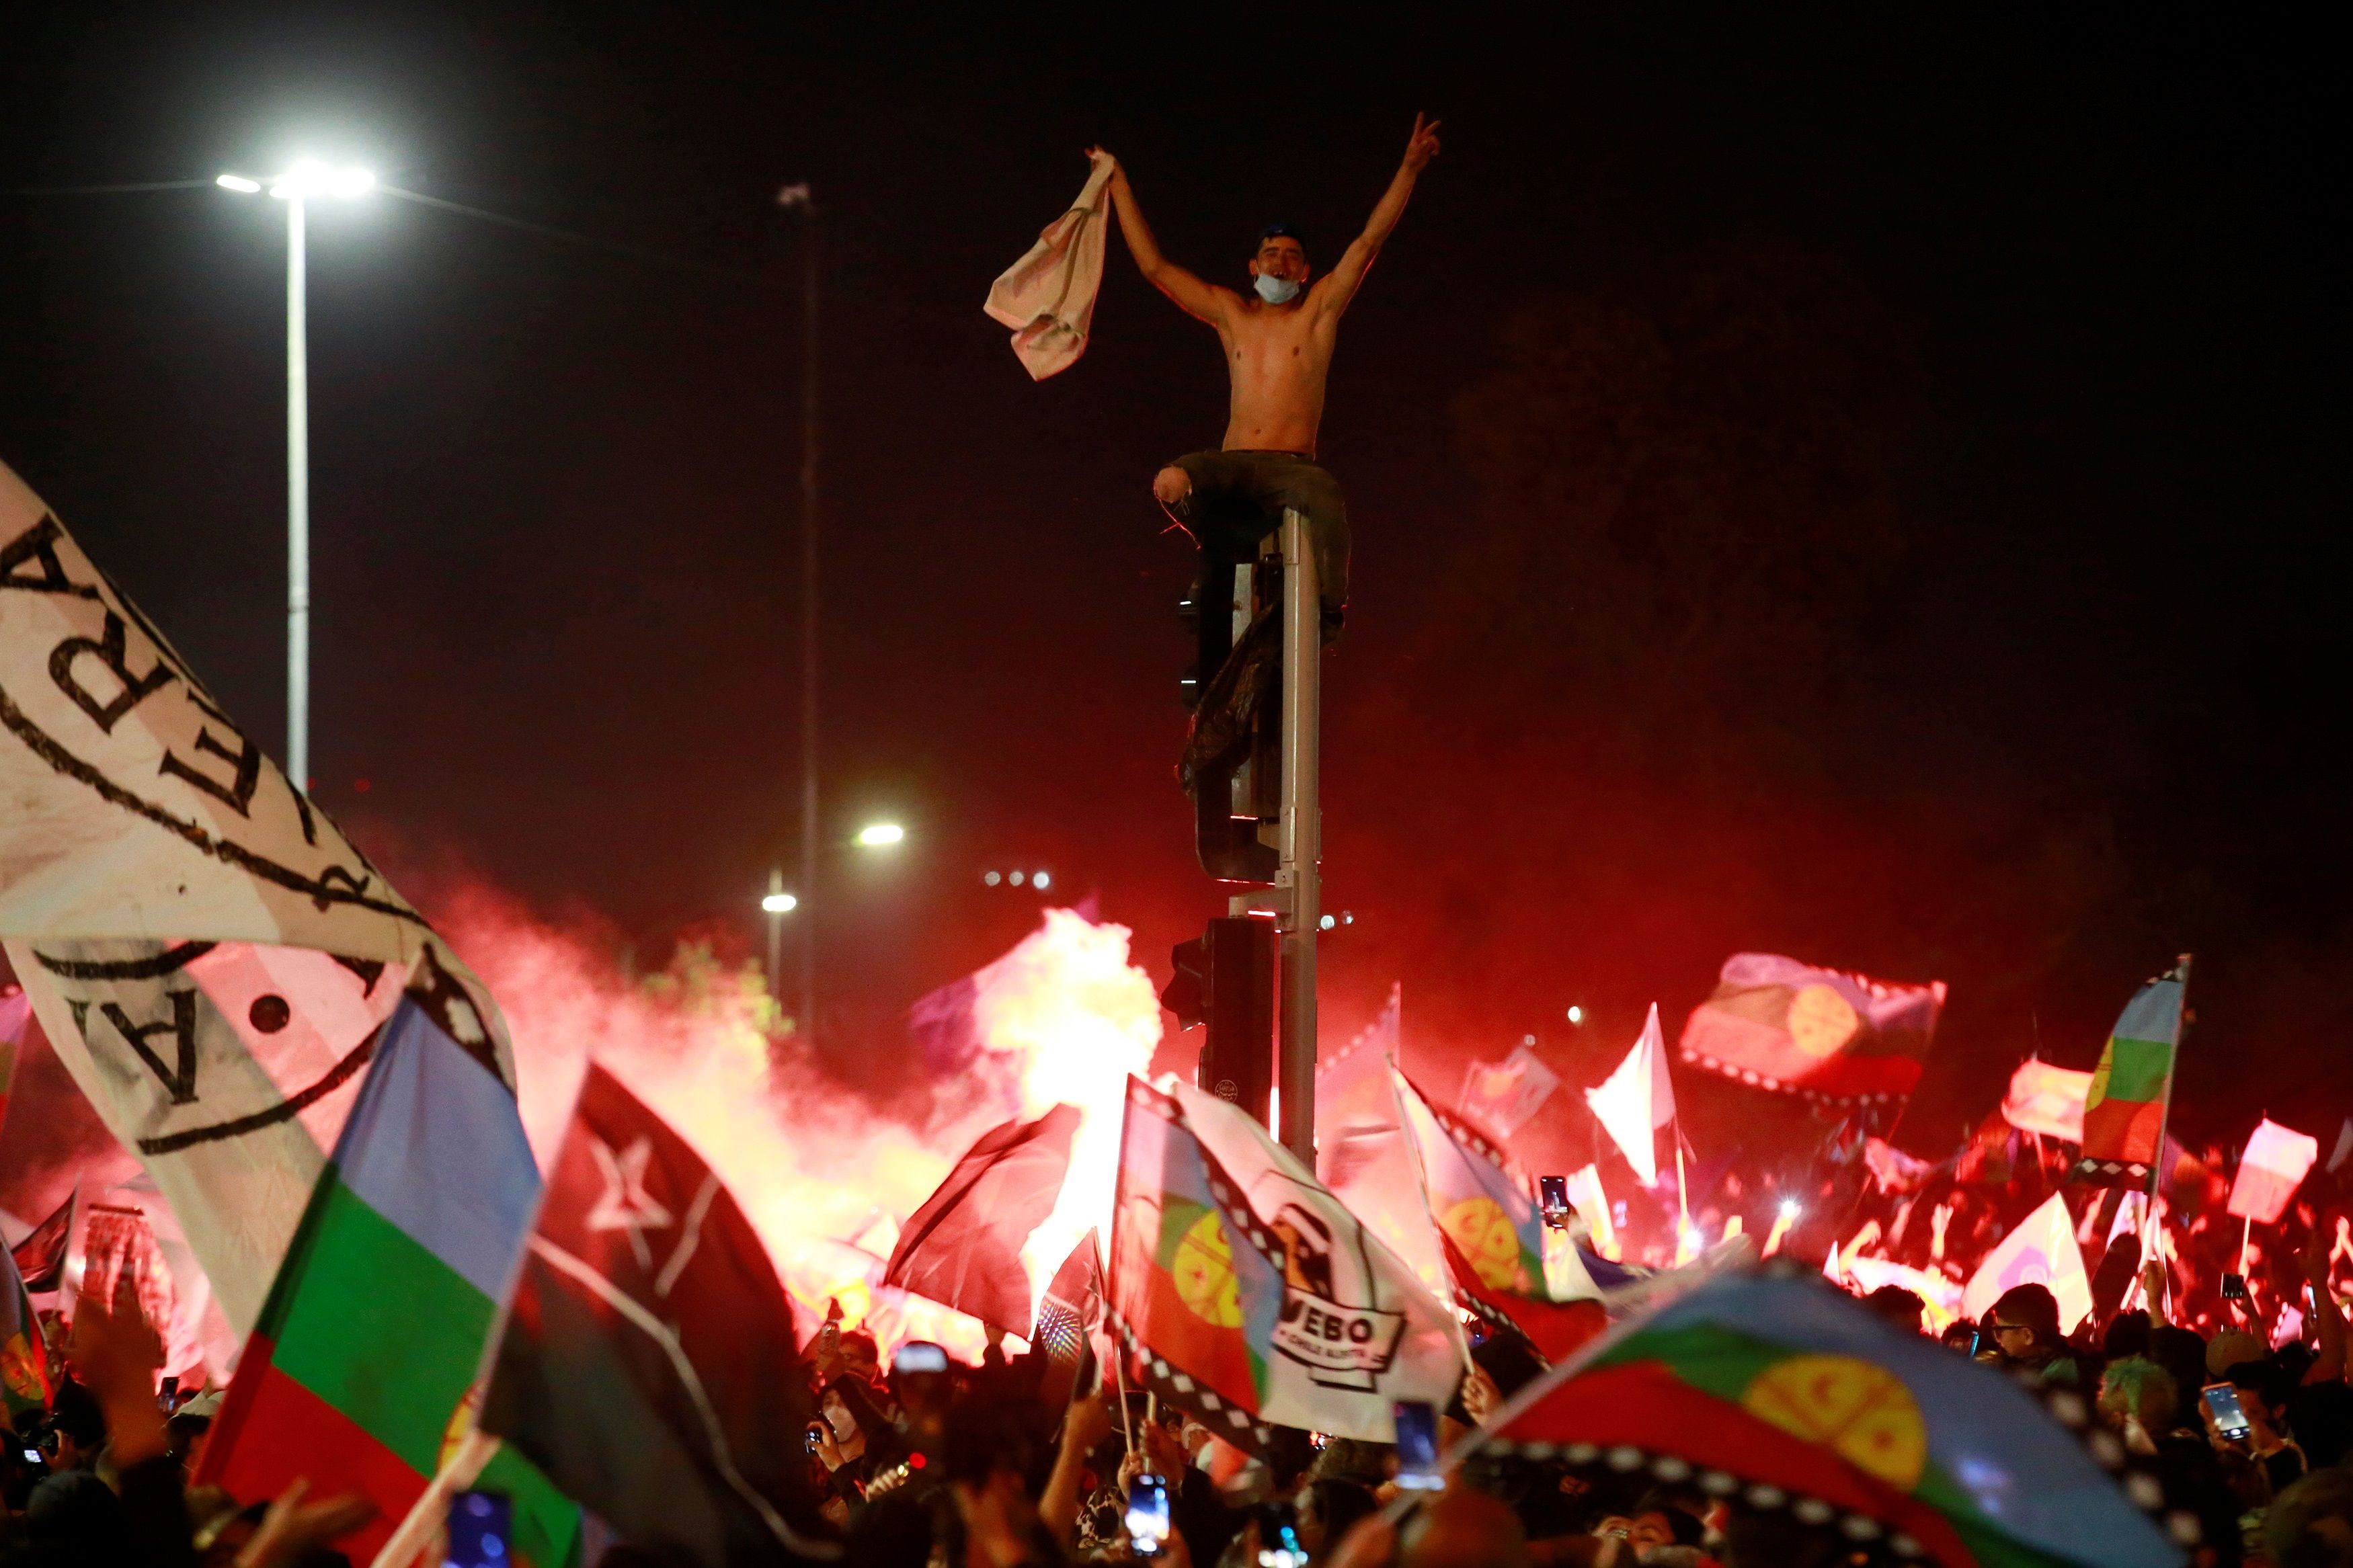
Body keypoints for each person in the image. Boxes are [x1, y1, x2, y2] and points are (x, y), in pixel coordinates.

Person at [1092, 113, 1445, 634]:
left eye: (1292, 258)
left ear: (1304, 271)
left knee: (1326, 498)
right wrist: (1117, 182)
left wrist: (1409, 169)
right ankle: (1213, 549)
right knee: (1170, 481)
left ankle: (1326, 614)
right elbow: (1155, 268)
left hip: (1292, 466)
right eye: (1271, 255)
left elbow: (1368, 241)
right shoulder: (1231, 314)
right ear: (1253, 267)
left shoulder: (1318, 311)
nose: (1280, 265)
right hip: (1233, 462)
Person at [1986, 1284, 2080, 1387]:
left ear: (2028, 1336)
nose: (1999, 1338)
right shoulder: (2042, 1362)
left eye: (2000, 1331)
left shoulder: (2054, 1380)